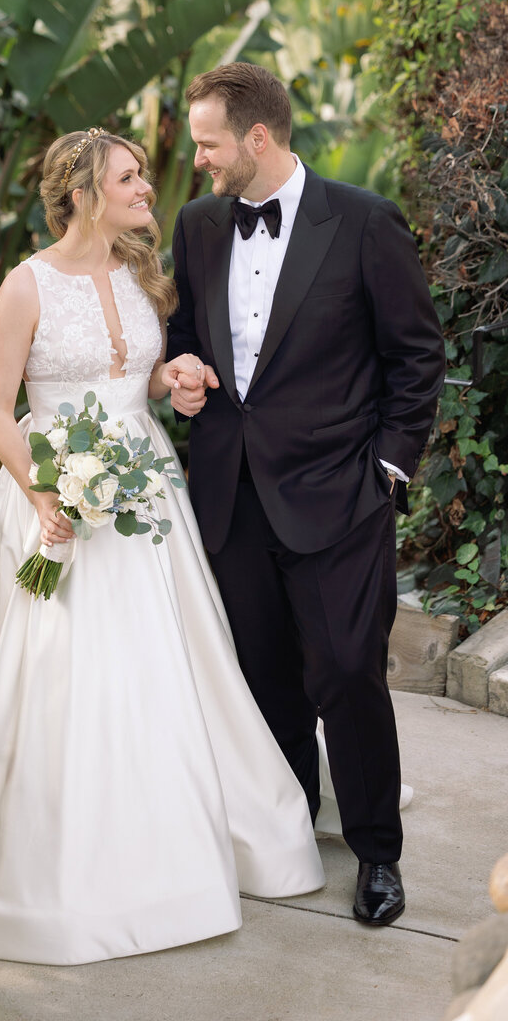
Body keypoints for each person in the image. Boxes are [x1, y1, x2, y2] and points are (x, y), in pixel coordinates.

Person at [0, 127, 325, 966]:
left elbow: (139, 376)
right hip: (52, 494)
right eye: (130, 178)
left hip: (144, 491)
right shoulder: (23, 287)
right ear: (82, 193)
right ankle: (68, 862)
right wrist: (41, 494)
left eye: (142, 175)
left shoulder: (146, 276)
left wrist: (171, 380)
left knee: (168, 661)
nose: (147, 189)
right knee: (61, 672)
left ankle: (188, 832)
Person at [167, 63, 447, 927]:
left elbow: (417, 356)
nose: (200, 161)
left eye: (210, 144)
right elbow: (185, 338)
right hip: (232, 495)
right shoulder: (199, 225)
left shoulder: (363, 222)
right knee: (264, 676)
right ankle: (289, 827)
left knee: (348, 674)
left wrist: (389, 469)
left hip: (340, 495)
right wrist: (180, 374)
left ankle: (376, 854)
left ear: (258, 137)